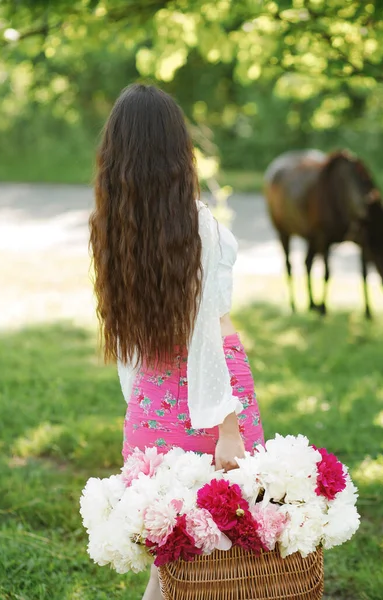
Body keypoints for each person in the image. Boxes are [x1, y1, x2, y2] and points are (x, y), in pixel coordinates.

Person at [89, 83, 265, 600]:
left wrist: (140, 407)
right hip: (212, 394)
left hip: (152, 395)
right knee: (223, 556)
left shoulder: (112, 227)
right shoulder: (199, 225)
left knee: (174, 559)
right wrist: (227, 426)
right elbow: (207, 333)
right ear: (175, 150)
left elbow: (129, 342)